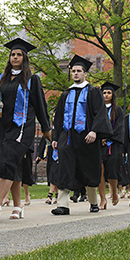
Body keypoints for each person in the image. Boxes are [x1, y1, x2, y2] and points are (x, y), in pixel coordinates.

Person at [0, 37, 51, 221]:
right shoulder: (1, 78)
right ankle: (18, 206)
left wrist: (46, 129)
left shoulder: (32, 80)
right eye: (13, 54)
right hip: (2, 127)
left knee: (8, 158)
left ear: (24, 58)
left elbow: (40, 105)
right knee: (8, 163)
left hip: (22, 127)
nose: (15, 57)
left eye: (19, 55)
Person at [51, 54, 111, 215]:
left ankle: (93, 201)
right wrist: (56, 138)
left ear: (85, 73)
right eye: (74, 71)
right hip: (68, 138)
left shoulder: (93, 92)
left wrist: (94, 131)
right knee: (65, 168)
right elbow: (59, 117)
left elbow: (100, 113)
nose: (76, 73)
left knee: (89, 169)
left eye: (79, 71)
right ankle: (63, 205)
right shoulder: (66, 94)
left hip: (87, 139)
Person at [98, 82, 125, 209]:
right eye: (104, 93)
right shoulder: (97, 109)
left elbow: (119, 128)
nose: (106, 95)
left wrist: (108, 138)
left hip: (113, 144)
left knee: (112, 170)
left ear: (113, 95)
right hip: (99, 144)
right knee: (100, 171)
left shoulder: (118, 110)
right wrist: (100, 138)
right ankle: (103, 199)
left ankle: (114, 191)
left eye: (109, 93)